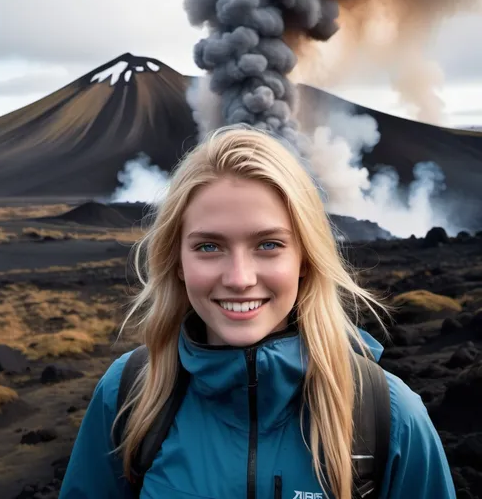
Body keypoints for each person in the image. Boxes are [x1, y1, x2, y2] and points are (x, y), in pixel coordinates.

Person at [59, 125, 456, 499]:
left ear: (305, 257)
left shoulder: (388, 416)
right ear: (176, 261)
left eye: (268, 244)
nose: (239, 278)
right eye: (209, 247)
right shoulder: (128, 396)